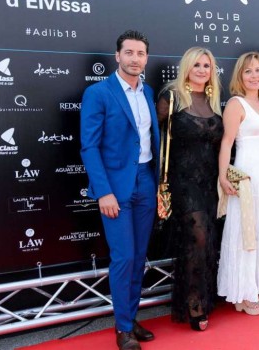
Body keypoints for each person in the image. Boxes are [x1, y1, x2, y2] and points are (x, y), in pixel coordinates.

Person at [80, 30, 158, 350]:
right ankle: (123, 328)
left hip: (146, 181)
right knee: (124, 257)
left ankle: (130, 317)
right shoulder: (99, 93)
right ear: (118, 56)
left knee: (139, 257)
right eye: (129, 53)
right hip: (115, 187)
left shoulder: (149, 92)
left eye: (140, 53)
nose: (135, 58)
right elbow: (89, 146)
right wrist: (103, 192)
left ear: (146, 58)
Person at [156, 47, 223, 331]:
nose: (201, 70)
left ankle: (207, 299)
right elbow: (155, 140)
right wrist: (160, 183)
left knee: (209, 242)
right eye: (196, 64)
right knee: (196, 239)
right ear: (186, 67)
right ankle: (193, 304)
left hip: (211, 183)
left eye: (206, 65)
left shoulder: (216, 101)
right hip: (183, 183)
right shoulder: (170, 98)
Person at [217, 51, 259, 315]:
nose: (254, 75)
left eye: (258, 70)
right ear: (240, 76)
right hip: (247, 177)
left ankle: (254, 286)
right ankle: (243, 293)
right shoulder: (236, 103)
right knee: (246, 232)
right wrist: (223, 176)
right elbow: (227, 142)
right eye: (248, 71)